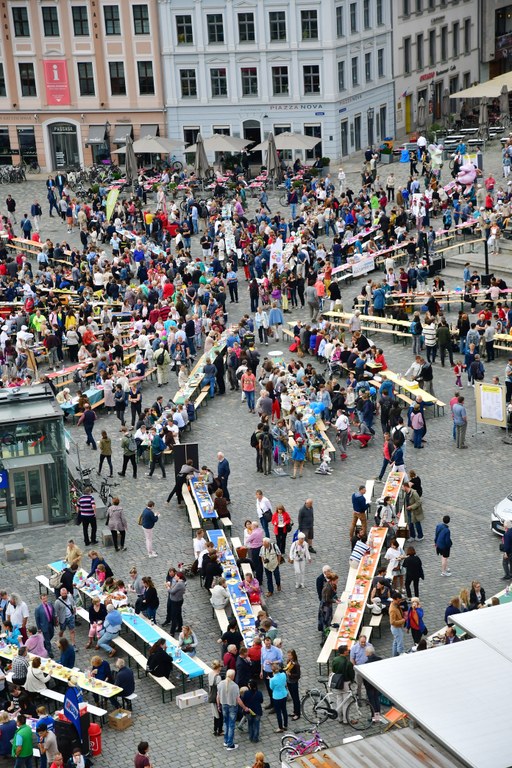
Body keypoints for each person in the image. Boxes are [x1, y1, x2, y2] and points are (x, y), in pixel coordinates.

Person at [217, 669, 250, 751]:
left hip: (224, 705)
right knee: (231, 725)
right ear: (233, 676)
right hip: (232, 706)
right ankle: (230, 744)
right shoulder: (235, 686)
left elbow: (218, 696)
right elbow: (238, 699)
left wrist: (218, 705)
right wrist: (244, 707)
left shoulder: (220, 684)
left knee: (226, 723)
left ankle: (226, 740)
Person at [269, 661, 288, 733]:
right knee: (284, 710)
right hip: (284, 694)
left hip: (277, 697)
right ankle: (285, 725)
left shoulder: (272, 679)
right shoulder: (283, 674)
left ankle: (280, 727)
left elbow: (271, 688)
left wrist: (271, 679)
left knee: (278, 713)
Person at [284, 649, 301, 720]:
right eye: (288, 655)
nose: (289, 656)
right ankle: (294, 711)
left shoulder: (296, 664)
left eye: (290, 655)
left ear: (293, 655)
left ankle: (298, 713)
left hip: (294, 682)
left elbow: (298, 675)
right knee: (293, 697)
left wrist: (290, 675)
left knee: (296, 698)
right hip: (289, 682)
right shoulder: (289, 661)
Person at [389, 591, 406, 656]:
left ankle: (394, 656)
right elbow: (392, 622)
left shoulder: (395, 605)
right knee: (400, 642)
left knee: (396, 642)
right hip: (396, 628)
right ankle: (401, 654)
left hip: (396, 627)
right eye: (398, 601)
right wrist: (403, 620)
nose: (400, 602)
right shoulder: (393, 609)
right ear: (394, 599)